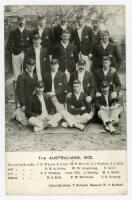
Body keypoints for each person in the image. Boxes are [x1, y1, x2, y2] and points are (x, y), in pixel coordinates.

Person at [12, 58, 38, 126]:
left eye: (33, 65)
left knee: (37, 116)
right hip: (25, 101)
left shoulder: (35, 75)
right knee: (26, 123)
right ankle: (18, 112)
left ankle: (19, 112)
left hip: (33, 100)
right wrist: (22, 104)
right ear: (26, 65)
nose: (32, 67)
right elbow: (19, 92)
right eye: (30, 65)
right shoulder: (22, 76)